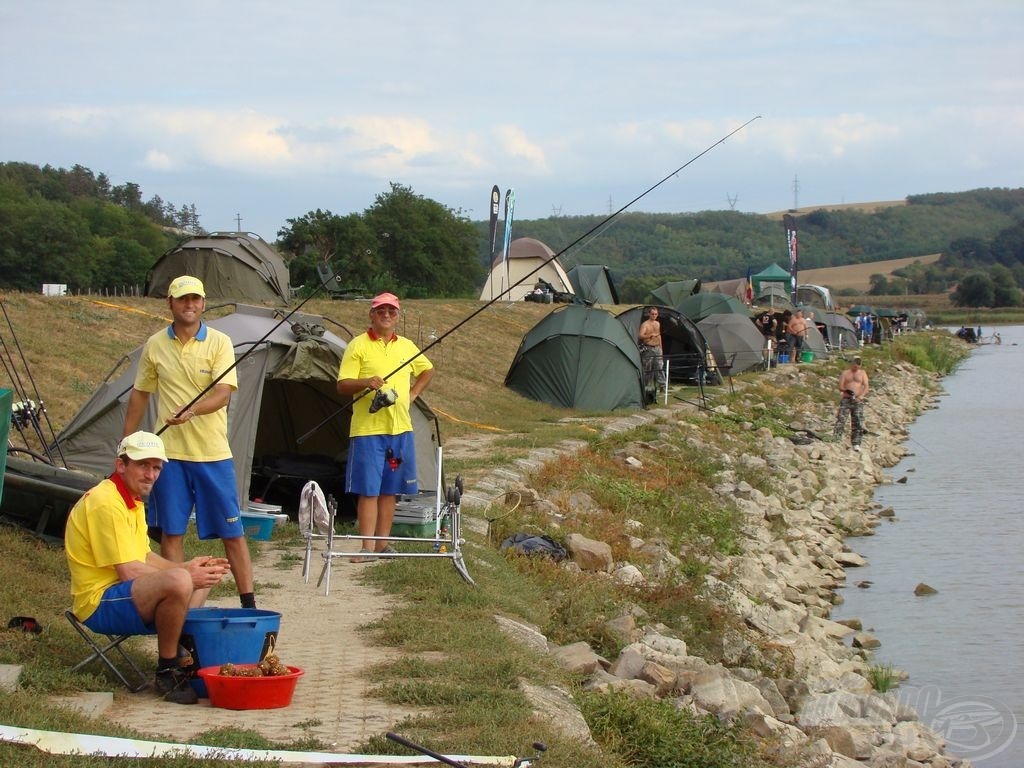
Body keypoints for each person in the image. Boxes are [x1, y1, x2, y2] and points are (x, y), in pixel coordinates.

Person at [65, 431, 230, 704]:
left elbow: (143, 555)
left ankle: (180, 649)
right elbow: (129, 571)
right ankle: (168, 669)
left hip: (124, 594)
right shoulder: (105, 502)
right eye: (143, 465)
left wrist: (190, 567)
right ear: (121, 465)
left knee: (200, 574)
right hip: (98, 602)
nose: (151, 475)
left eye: (156, 468)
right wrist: (184, 574)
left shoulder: (130, 499)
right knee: (181, 580)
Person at [123, 275, 256, 609]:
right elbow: (140, 393)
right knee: (172, 531)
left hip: (212, 453)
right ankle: (177, 600)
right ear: (170, 303)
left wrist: (192, 411)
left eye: (196, 299)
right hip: (168, 456)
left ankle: (249, 603)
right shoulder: (155, 344)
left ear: (204, 303)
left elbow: (223, 394)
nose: (190, 305)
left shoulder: (220, 342)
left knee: (232, 532)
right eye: (182, 299)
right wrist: (127, 439)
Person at [337, 292, 434, 562]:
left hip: (400, 430)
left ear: (398, 316)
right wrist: (366, 382)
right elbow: (342, 385)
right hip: (367, 431)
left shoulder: (406, 346)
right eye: (381, 311)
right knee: (368, 490)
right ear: (372, 314)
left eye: (392, 311)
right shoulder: (357, 345)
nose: (387, 315)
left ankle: (383, 544)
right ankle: (366, 547)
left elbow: (427, 370)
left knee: (390, 490)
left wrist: (413, 394)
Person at [834, 355, 870, 451]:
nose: (856, 368)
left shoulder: (862, 373)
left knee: (857, 421)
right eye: (855, 366)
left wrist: (861, 396)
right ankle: (836, 438)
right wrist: (847, 391)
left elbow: (866, 386)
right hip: (846, 399)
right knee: (841, 419)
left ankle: (856, 443)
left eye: (858, 367)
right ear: (852, 364)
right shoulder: (845, 373)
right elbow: (840, 386)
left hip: (858, 400)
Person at [638, 306, 664, 394]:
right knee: (647, 368)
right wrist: (649, 336)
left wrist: (661, 348)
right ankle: (645, 386)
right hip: (648, 348)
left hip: (657, 348)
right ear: (649, 314)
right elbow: (640, 336)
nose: (654, 315)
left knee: (659, 366)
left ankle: (662, 385)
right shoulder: (645, 324)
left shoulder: (658, 323)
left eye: (656, 314)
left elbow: (659, 336)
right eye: (652, 314)